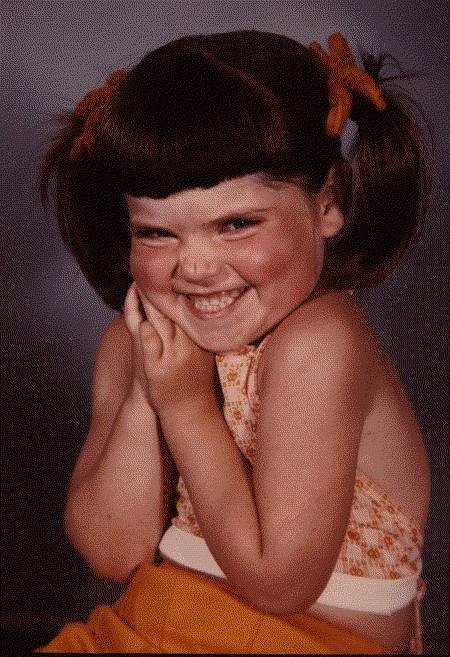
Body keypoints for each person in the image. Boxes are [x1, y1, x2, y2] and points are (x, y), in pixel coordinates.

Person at [37, 30, 430, 654]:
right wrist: (145, 389)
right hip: (156, 624)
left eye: (236, 223)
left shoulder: (320, 340)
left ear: (327, 204)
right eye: (157, 234)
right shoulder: (145, 340)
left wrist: (186, 406)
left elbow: (281, 586)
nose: (194, 267)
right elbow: (114, 553)